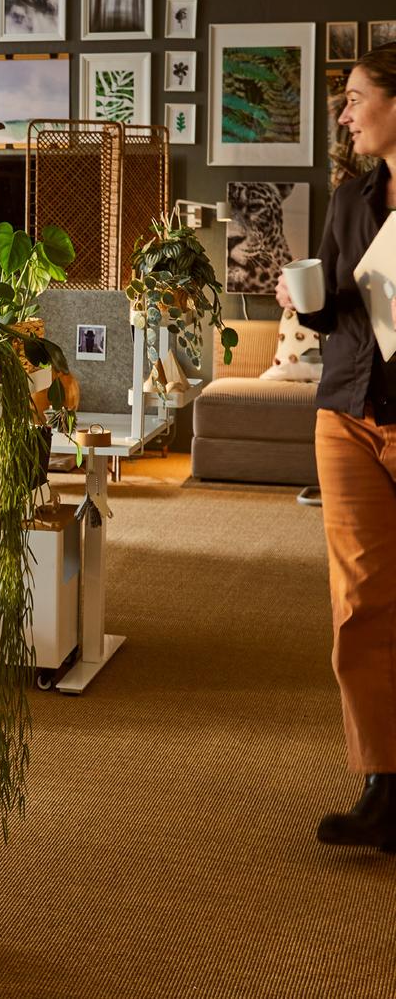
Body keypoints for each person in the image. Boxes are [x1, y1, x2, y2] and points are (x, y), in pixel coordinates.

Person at [276, 42, 396, 852]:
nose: (345, 114)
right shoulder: (354, 197)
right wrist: (304, 303)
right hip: (348, 411)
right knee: (359, 605)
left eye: (355, 97)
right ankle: (383, 784)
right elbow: (343, 310)